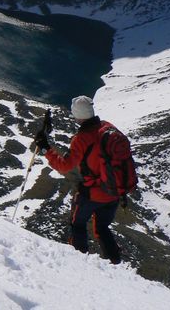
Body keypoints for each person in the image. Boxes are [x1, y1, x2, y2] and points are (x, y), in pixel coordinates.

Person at [31, 95, 122, 264]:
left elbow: (65, 166)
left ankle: (79, 263)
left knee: (77, 225)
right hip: (114, 191)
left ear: (77, 115)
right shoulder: (109, 128)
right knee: (102, 228)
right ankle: (116, 263)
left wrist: (46, 150)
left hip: (92, 194)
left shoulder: (81, 139)